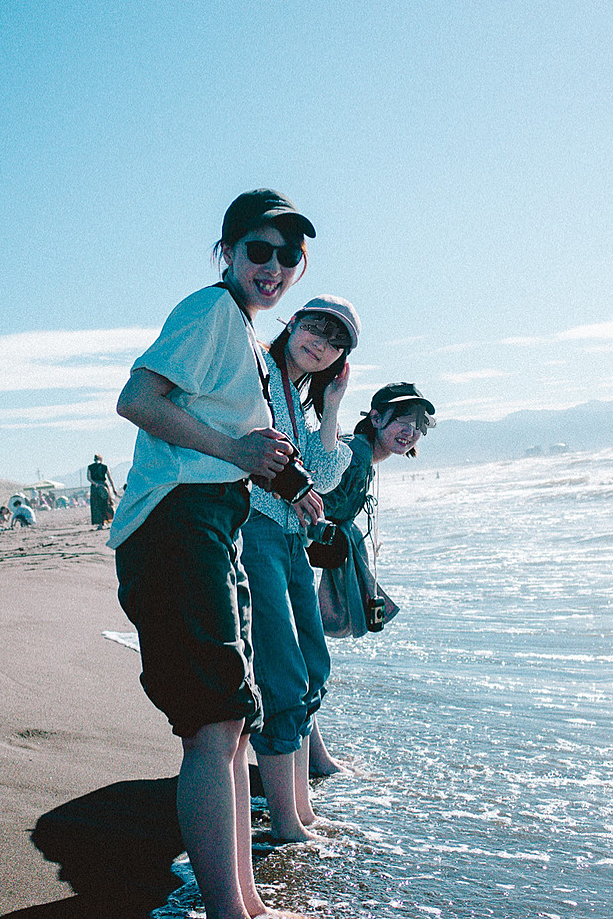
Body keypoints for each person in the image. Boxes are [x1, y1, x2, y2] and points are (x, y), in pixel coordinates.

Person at [109, 188, 316, 919]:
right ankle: (229, 913)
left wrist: (294, 486)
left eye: (288, 255)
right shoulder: (209, 310)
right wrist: (235, 449)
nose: (274, 266)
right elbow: (137, 399)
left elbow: (238, 440)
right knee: (212, 724)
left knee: (229, 722)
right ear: (226, 252)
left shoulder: (244, 335)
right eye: (258, 250)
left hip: (210, 521)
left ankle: (247, 904)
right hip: (175, 524)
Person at [242, 296, 357, 842]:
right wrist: (293, 486)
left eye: (334, 342)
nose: (319, 342)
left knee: (310, 661)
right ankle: (286, 822)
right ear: (292, 323)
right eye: (313, 327)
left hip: (290, 539)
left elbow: (328, 475)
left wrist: (333, 407)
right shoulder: (256, 371)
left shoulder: (295, 396)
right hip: (254, 531)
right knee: (281, 670)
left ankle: (302, 811)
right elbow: (246, 455)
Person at [309, 382, 436, 778]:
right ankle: (312, 759)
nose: (410, 432)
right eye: (402, 420)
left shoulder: (366, 455)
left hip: (303, 557)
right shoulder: (358, 452)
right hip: (292, 558)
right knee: (306, 662)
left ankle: (314, 756)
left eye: (418, 426)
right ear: (376, 417)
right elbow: (316, 492)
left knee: (305, 660)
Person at [88, 454, 118, 529]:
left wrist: (95, 484)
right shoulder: (105, 467)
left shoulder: (90, 467)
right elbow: (110, 478)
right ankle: (106, 521)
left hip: (95, 487)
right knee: (106, 503)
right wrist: (113, 489)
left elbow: (89, 478)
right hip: (104, 485)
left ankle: (100, 524)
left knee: (96, 505)